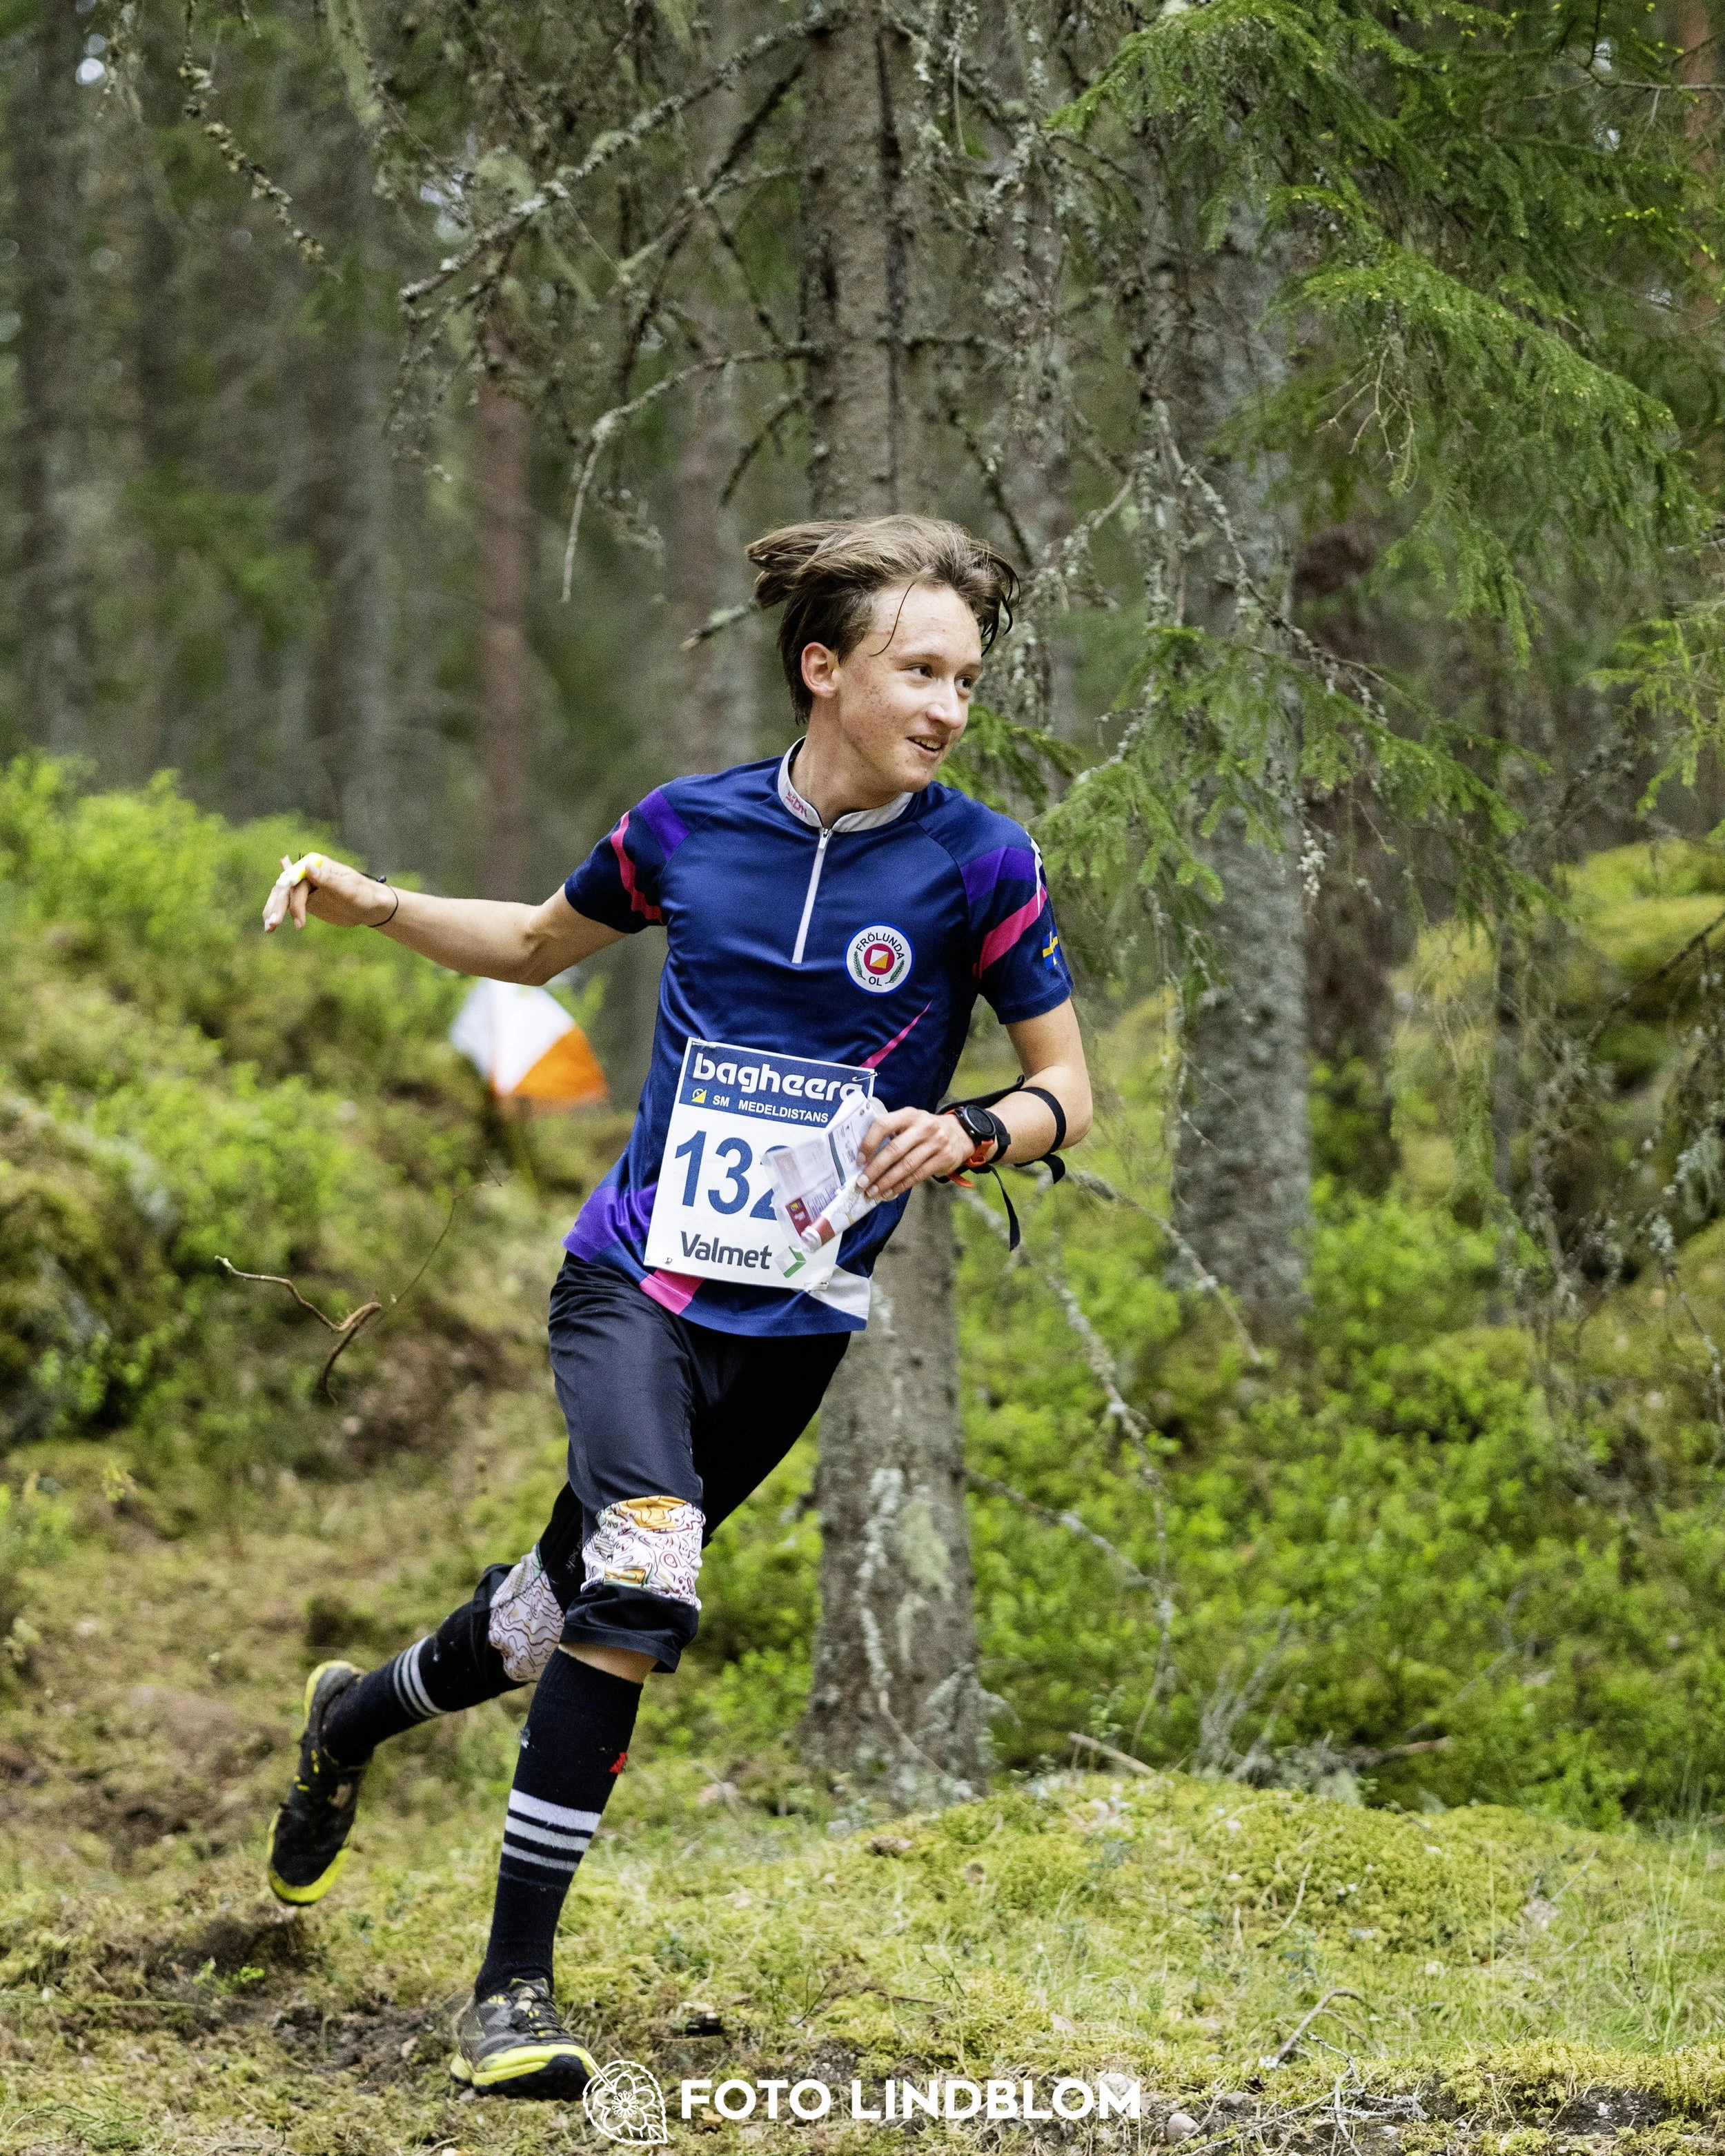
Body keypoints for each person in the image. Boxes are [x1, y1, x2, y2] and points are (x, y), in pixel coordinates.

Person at [256, 514, 1092, 2099]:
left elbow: (1068, 1091)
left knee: (556, 1608)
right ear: (821, 666)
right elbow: (525, 946)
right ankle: (511, 1990)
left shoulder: (976, 859)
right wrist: (378, 908)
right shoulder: (685, 829)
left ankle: (351, 1719)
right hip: (634, 1278)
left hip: (792, 1329)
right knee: (642, 1580)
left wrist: (972, 1129)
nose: (947, 706)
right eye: (919, 669)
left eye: (967, 678)